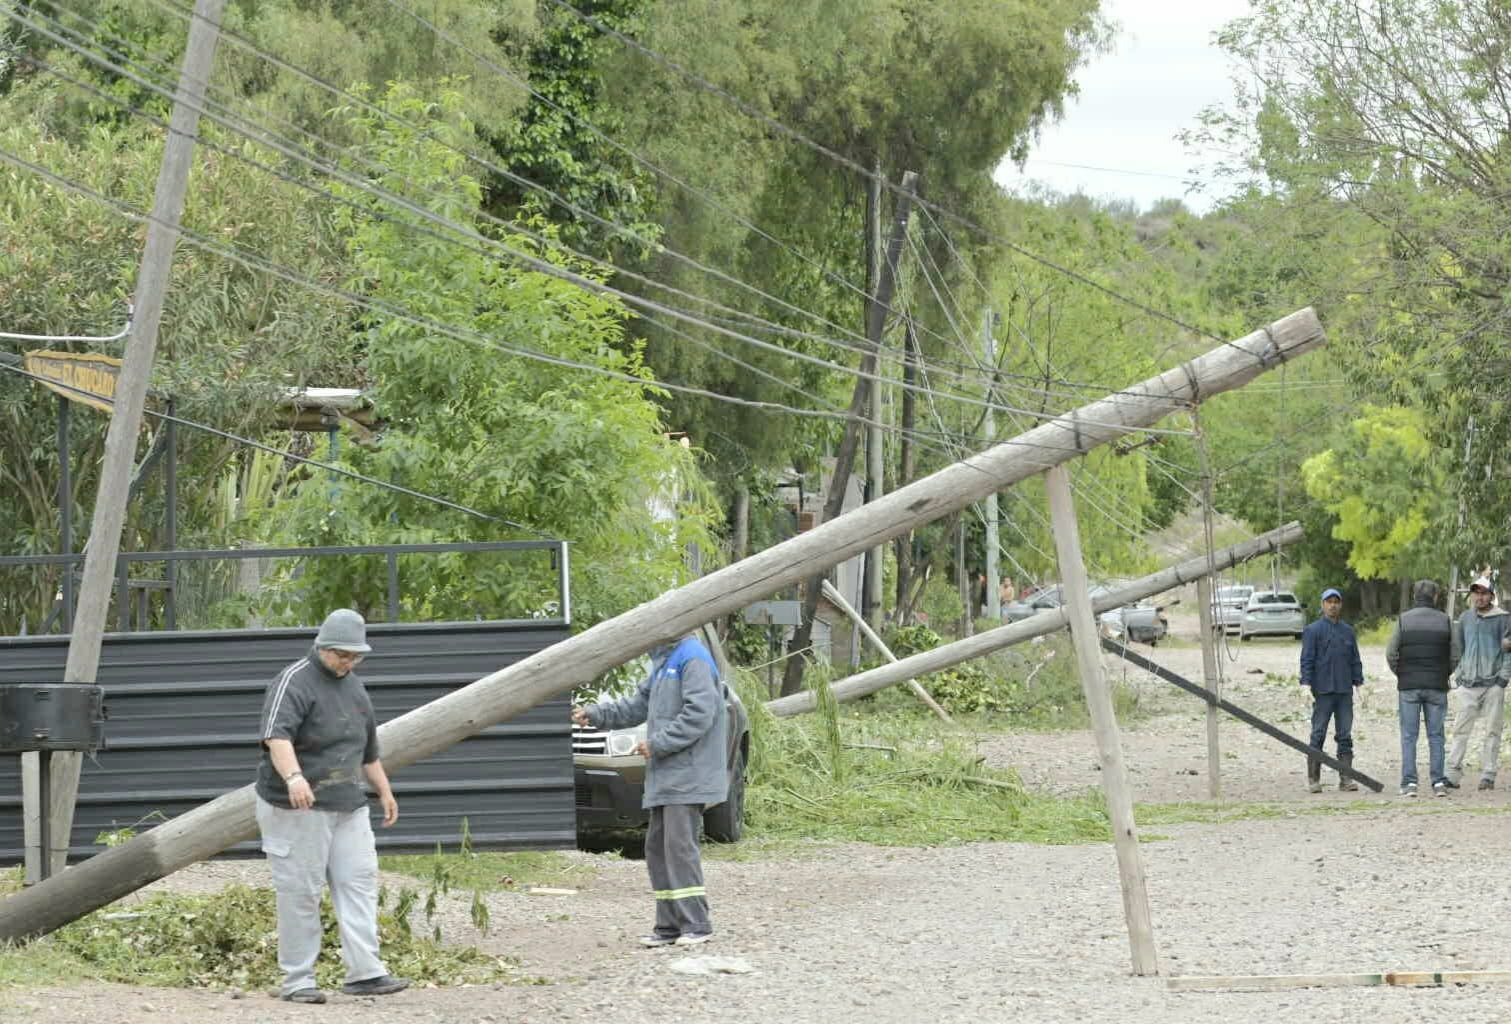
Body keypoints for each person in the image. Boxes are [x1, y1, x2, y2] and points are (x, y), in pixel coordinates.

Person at [255, 608, 409, 1004]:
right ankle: (298, 980)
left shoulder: (355, 687)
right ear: (322, 646)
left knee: (358, 882)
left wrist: (384, 791)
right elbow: (277, 736)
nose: (348, 662)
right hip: (298, 807)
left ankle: (365, 972)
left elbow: (368, 749)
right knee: (300, 891)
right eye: (342, 654)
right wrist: (294, 778)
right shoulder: (293, 681)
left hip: (348, 803)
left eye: (355, 656)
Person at [572, 632, 728, 948]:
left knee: (678, 848)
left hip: (687, 773)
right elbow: (637, 705)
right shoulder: (664, 659)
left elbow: (700, 713)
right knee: (658, 848)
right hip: (667, 774)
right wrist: (596, 714)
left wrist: (659, 743)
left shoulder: (692, 656)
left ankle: (697, 924)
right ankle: (669, 925)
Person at [1386, 580, 1460, 797]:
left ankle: (1409, 783)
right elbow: (1455, 654)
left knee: (1409, 735)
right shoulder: (1445, 621)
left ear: (1414, 596)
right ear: (1435, 596)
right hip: (1436, 686)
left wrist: (1401, 673)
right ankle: (1438, 782)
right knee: (1436, 735)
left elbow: (1391, 653)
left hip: (1409, 686)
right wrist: (1444, 673)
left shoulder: (1403, 620)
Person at [1445, 577, 1511, 790]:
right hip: (1468, 684)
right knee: (1460, 729)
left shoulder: (1504, 619)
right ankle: (1453, 774)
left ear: (1491, 596)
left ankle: (1488, 775)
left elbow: (1509, 652)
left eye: (1484, 593)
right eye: (1476, 593)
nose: (1479, 597)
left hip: (1493, 684)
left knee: (1492, 730)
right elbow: (1459, 648)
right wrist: (1459, 675)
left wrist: (1502, 679)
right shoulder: (1465, 618)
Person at [1300, 587, 1364, 793]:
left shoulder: (1348, 631)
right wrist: (1305, 685)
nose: (1333, 605)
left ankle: (1346, 779)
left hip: (1344, 691)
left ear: (1341, 605)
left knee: (1344, 735)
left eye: (1336, 601)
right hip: (1323, 691)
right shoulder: (1313, 630)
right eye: (1329, 601)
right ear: (1322, 605)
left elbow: (1355, 659)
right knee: (1318, 733)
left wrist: (1360, 684)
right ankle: (1313, 779)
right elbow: (1307, 659)